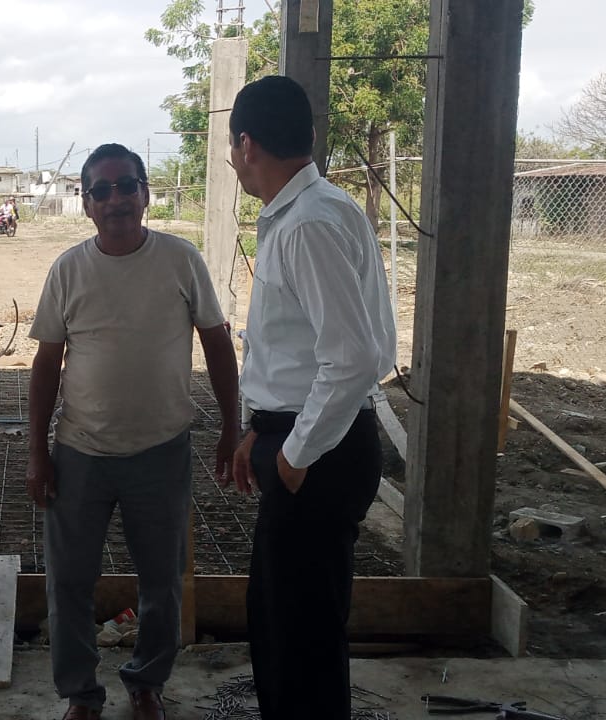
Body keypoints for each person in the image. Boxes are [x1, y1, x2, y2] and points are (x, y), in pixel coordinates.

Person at [27, 143, 241, 720]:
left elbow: (216, 342)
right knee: (69, 582)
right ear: (87, 203)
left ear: (146, 194)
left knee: (162, 581)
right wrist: (38, 453)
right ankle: (81, 694)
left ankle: (148, 683)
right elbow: (46, 364)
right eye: (101, 190)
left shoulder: (180, 260)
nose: (115, 199)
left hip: (161, 451)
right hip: (80, 452)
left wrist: (232, 425)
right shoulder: (68, 269)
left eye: (126, 186)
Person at [226, 76, 397, 718]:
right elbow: (296, 348)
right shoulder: (314, 211)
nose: (232, 158)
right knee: (284, 619)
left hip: (321, 449)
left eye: (231, 147)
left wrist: (294, 454)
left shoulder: (308, 224)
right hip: (306, 434)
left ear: (247, 144)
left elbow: (352, 358)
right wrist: (259, 427)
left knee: (301, 636)